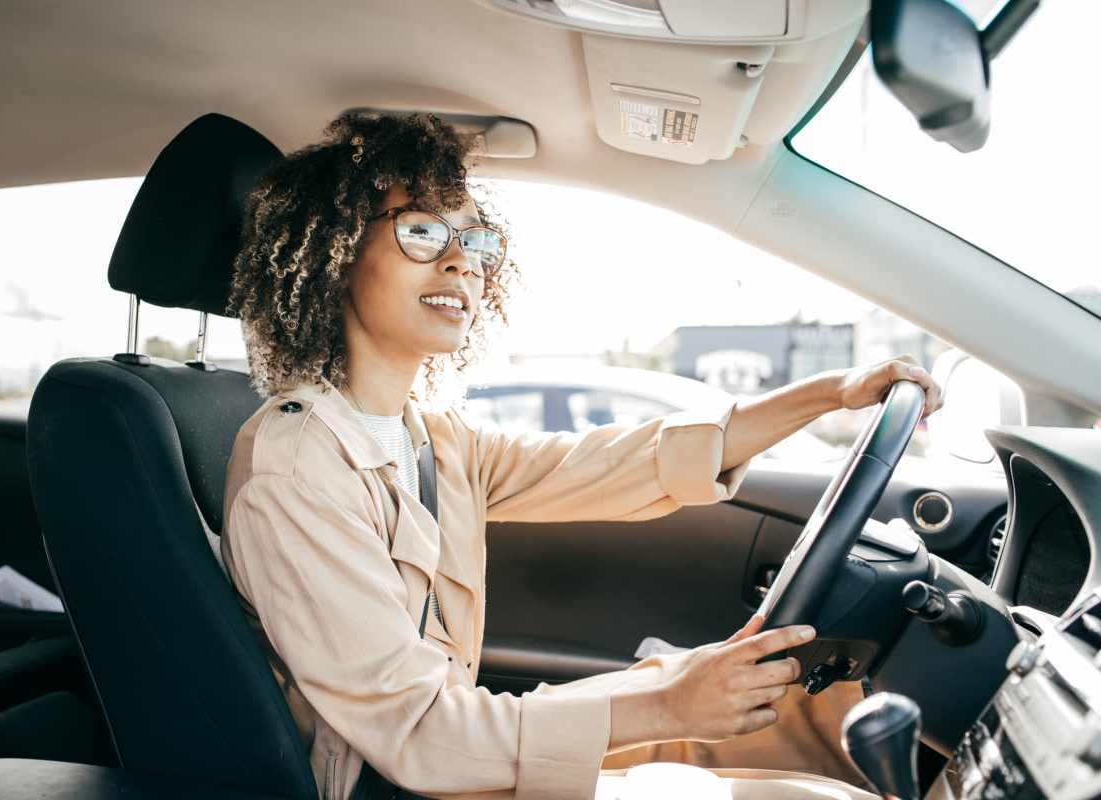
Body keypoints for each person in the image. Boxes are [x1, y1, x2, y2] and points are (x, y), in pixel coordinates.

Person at [219, 112, 943, 800]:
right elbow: (418, 734)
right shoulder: (297, 465)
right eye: (419, 231)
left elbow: (614, 462)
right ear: (334, 254)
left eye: (474, 243)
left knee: (791, 709)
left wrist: (828, 396)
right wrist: (667, 707)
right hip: (399, 785)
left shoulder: (427, 436)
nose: (460, 263)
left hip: (446, 763)